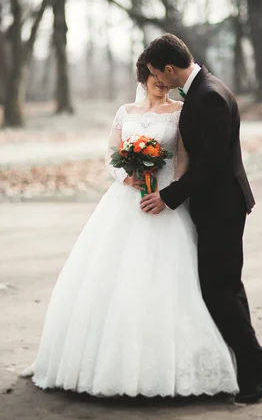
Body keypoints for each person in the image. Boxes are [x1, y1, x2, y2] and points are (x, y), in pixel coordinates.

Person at [21, 51, 238, 398]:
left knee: (172, 280)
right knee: (113, 276)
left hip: (164, 200)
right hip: (126, 200)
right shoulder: (126, 112)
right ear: (144, 77)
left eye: (164, 80)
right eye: (154, 78)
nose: (160, 84)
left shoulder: (181, 113)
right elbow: (111, 155)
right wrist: (128, 178)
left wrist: (169, 193)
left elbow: (183, 157)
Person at [140, 34, 262, 404]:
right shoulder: (205, 87)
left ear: (169, 69)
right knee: (229, 288)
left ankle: (259, 364)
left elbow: (212, 164)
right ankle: (250, 370)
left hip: (222, 208)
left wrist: (168, 196)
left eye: (158, 74)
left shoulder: (210, 97)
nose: (158, 81)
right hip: (216, 207)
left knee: (217, 290)